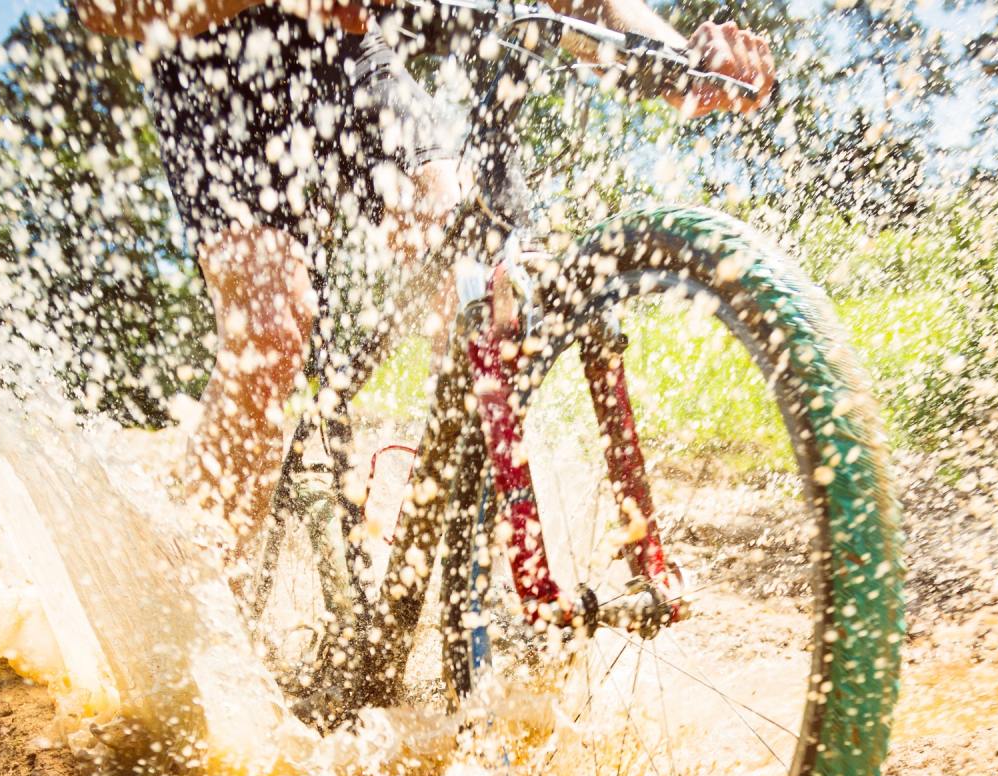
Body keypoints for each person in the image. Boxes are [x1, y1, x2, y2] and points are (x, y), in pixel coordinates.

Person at [74, 0, 773, 706]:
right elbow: (102, 10)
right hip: (211, 59)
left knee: (465, 234)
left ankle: (468, 573)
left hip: (348, 54)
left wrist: (681, 57)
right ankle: (179, 650)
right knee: (274, 327)